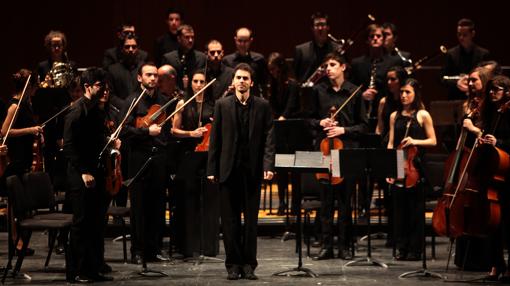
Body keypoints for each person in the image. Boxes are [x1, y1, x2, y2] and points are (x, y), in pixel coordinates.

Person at [207, 63, 275, 280]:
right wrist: (212, 168)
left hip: (252, 172)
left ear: (251, 82)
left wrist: (268, 166)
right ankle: (233, 264)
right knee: (229, 221)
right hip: (228, 171)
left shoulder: (263, 106)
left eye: (246, 78)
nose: (242, 81)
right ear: (233, 81)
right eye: (238, 77)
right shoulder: (222, 105)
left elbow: (269, 140)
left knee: (251, 223)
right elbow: (215, 140)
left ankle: (248, 264)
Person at [310, 52, 368, 261]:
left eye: (333, 65)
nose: (328, 68)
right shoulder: (318, 91)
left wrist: (343, 130)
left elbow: (363, 126)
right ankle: (326, 246)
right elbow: (308, 120)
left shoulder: (354, 92)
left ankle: (344, 246)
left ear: (343, 67)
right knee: (325, 203)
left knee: (345, 202)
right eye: (326, 65)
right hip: (325, 151)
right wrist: (320, 123)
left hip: (347, 153)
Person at [63, 67, 117, 282]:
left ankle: (94, 268)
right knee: (81, 223)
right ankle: (77, 271)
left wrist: (109, 142)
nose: (104, 89)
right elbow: (69, 146)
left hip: (97, 172)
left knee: (96, 223)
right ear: (87, 87)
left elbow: (95, 140)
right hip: (80, 175)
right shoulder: (77, 112)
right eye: (99, 85)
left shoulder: (97, 111)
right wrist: (84, 171)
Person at [120, 62, 170, 264]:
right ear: (140, 78)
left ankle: (154, 248)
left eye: (155, 75)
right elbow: (123, 131)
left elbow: (166, 132)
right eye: (148, 75)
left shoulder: (163, 100)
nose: (152, 79)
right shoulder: (131, 101)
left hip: (158, 158)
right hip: (138, 157)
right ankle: (138, 250)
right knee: (139, 206)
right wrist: (145, 132)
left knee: (157, 205)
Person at [386, 78, 436, 261]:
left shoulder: (423, 115)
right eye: (402, 92)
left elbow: (433, 141)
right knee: (400, 211)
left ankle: (416, 249)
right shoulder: (394, 116)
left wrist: (415, 141)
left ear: (415, 95)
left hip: (417, 167)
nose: (404, 96)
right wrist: (389, 168)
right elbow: (391, 143)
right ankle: (402, 247)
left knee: (415, 210)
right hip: (400, 166)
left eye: (408, 92)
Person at [172, 69, 218, 257]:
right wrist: (192, 134)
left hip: (208, 156)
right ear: (190, 83)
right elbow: (174, 130)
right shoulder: (183, 103)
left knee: (209, 202)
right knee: (189, 200)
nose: (199, 85)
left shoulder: (214, 105)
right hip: (189, 155)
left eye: (202, 81)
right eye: (196, 81)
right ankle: (188, 246)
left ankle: (208, 247)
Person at [475, 75, 510, 281]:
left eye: (496, 89)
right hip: (492, 172)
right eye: (490, 89)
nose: (491, 92)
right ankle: (496, 264)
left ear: (507, 92)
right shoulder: (491, 113)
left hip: (507, 172)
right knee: (493, 222)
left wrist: (499, 141)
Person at [375, 65, 408, 246]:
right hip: (387, 147)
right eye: (387, 79)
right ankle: (392, 234)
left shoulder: (408, 101)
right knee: (389, 195)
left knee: (402, 193)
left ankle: (403, 233)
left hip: (404, 149)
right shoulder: (383, 102)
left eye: (393, 79)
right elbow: (380, 127)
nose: (389, 83)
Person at [349, 24, 403, 131]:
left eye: (378, 36)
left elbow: (398, 87)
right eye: (372, 36)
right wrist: (362, 95)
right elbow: (350, 87)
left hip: (388, 111)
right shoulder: (357, 63)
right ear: (367, 40)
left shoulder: (394, 61)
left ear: (383, 39)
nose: (375, 38)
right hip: (363, 113)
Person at [266, 52, 300, 215]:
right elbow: (271, 104)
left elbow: (291, 105)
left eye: (274, 70)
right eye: (270, 70)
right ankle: (282, 202)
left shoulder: (292, 84)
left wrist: (282, 117)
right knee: (280, 169)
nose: (272, 73)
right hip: (279, 129)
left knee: (294, 171)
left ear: (280, 68)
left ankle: (295, 204)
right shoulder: (272, 84)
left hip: (292, 130)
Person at [441, 18, 491, 100]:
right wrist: (457, 82)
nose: (461, 38)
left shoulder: (483, 54)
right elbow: (441, 78)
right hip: (456, 97)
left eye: (465, 35)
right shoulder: (451, 54)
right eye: (459, 34)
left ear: (472, 34)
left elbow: (488, 78)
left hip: (478, 97)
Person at [293, 12, 340, 84]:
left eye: (323, 25)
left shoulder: (338, 49)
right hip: (308, 93)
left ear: (328, 27)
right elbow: (295, 77)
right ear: (312, 28)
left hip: (332, 92)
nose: (320, 28)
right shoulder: (301, 50)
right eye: (317, 25)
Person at [223, 27, 268, 97]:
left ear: (251, 40)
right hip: (234, 100)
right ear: (235, 40)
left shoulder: (259, 59)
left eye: (245, 41)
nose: (242, 44)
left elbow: (264, 83)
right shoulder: (227, 60)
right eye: (240, 41)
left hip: (254, 100)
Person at [162, 24, 207, 90]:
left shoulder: (201, 58)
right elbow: (165, 82)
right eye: (187, 37)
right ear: (179, 38)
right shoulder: (168, 58)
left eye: (192, 37)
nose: (190, 40)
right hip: (174, 96)